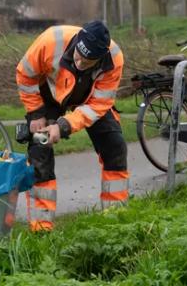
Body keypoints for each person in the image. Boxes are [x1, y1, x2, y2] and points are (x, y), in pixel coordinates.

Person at [16, 21, 128, 232]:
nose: (79, 62)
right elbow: (25, 74)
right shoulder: (50, 41)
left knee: (115, 147)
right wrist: (35, 113)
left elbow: (99, 105)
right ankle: (41, 227)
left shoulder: (114, 60)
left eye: (86, 62)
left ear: (99, 58)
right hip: (49, 96)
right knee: (39, 151)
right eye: (77, 56)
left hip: (90, 99)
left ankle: (116, 220)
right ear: (77, 42)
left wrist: (64, 126)